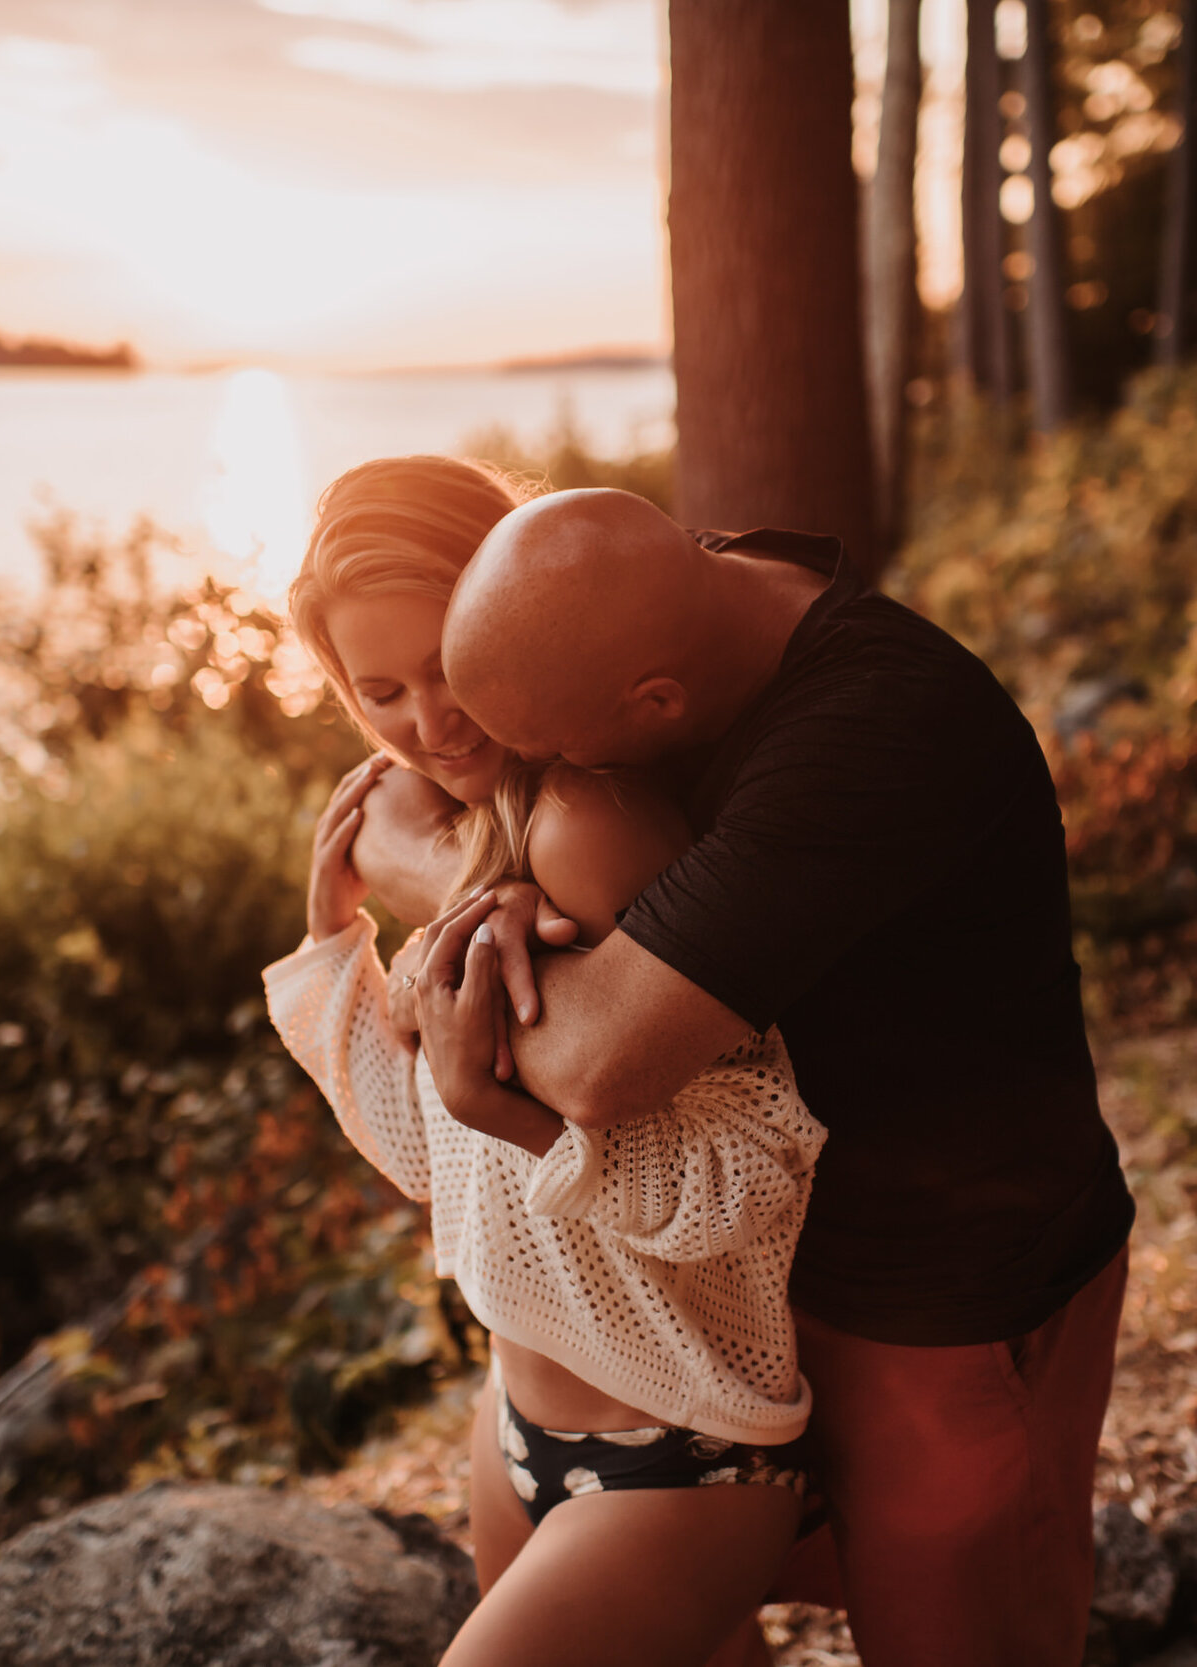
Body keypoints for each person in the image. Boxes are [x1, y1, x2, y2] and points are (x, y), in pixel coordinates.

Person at [404, 488, 1138, 1667]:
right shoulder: (685, 598)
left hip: (940, 1299)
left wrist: (417, 864)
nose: (549, 795)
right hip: (749, 1292)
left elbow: (597, 1060)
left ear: (656, 703)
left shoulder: (875, 726)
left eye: (551, 761)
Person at [260, 455, 829, 1667]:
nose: (429, 720)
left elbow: (752, 1174)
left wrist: (518, 1114)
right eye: (380, 690)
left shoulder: (588, 830)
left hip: (682, 1450)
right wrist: (333, 945)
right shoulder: (459, 847)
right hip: (515, 1423)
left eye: (448, 663)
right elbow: (432, 1156)